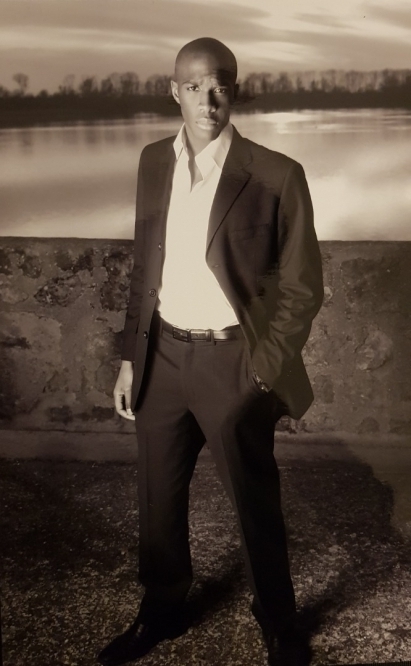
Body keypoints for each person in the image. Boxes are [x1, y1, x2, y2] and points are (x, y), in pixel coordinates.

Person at [98, 37, 323, 666]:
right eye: (194, 87)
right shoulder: (152, 161)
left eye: (220, 85)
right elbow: (145, 269)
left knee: (253, 503)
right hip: (162, 359)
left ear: (235, 90)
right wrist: (131, 358)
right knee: (157, 499)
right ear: (174, 91)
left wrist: (263, 369)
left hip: (233, 364)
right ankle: (163, 607)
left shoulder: (276, 173)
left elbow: (303, 288)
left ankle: (278, 622)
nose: (208, 99)